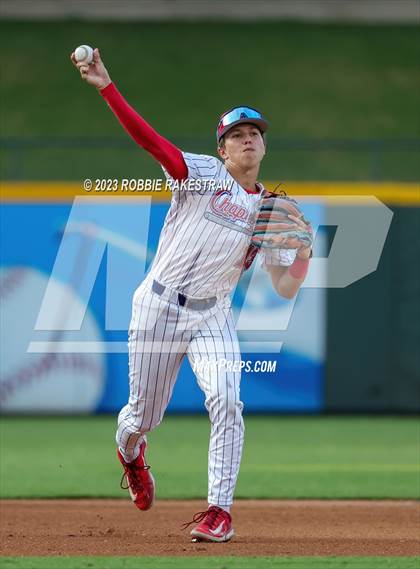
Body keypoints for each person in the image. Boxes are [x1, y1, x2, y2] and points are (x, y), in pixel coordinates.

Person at [71, 48, 312, 543]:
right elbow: (151, 142)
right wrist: (106, 88)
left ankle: (218, 512)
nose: (247, 140)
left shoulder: (272, 209)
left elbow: (283, 287)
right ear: (222, 149)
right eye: (236, 135)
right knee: (143, 415)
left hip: (213, 315)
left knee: (227, 397)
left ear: (263, 148)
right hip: (159, 306)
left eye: (254, 134)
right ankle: (132, 454)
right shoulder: (201, 173)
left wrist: (304, 255)